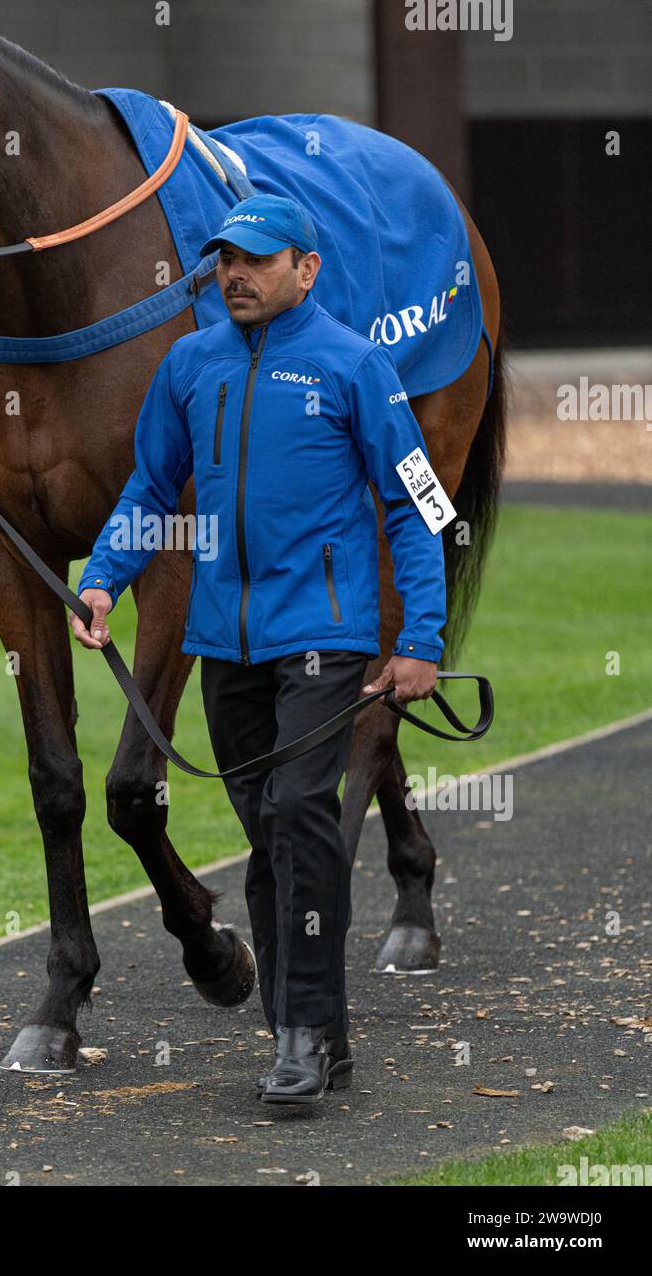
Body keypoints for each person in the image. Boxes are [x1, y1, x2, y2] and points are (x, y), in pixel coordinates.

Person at [71, 193, 449, 1104]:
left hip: (324, 638)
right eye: (225, 260)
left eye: (257, 260)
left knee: (298, 819)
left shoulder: (358, 367)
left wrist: (421, 639)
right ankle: (314, 1030)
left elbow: (418, 506)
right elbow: (151, 485)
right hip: (223, 646)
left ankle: (302, 1035)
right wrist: (103, 576)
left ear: (305, 269)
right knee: (271, 837)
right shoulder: (189, 365)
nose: (235, 275)